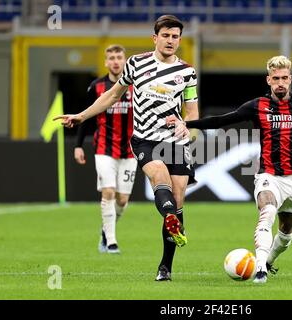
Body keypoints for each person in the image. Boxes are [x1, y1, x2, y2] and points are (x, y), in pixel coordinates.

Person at [167, 55, 292, 284]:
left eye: (284, 78)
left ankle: (270, 260)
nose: (280, 82)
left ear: (290, 79)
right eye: (276, 78)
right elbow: (223, 120)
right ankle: (261, 268)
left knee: (286, 232)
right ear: (268, 80)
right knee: (267, 211)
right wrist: (187, 124)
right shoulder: (257, 106)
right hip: (268, 174)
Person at [54, 15, 199, 281]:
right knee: (159, 178)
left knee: (178, 200)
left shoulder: (187, 72)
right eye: (165, 35)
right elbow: (111, 96)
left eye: (175, 36)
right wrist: (81, 116)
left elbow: (192, 112)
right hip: (145, 138)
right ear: (155, 38)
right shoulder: (136, 64)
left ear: (180, 40)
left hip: (176, 142)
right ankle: (169, 222)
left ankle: (165, 263)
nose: (170, 40)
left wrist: (186, 126)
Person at [74, 45, 137, 255]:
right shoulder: (97, 86)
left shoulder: (136, 85)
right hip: (104, 147)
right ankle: (111, 242)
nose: (115, 61)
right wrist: (78, 145)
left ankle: (106, 230)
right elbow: (86, 116)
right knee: (108, 191)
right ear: (106, 62)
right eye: (111, 58)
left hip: (130, 150)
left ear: (125, 60)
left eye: (119, 57)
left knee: (122, 200)